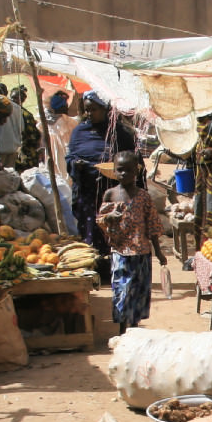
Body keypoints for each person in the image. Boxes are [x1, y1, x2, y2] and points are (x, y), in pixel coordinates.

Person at [67, 92, 136, 280]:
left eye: (93, 109)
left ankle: (115, 269)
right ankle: (94, 267)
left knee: (113, 227)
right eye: (86, 110)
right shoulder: (79, 131)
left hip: (113, 190)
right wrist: (76, 164)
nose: (89, 114)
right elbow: (70, 156)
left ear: (105, 110)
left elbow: (131, 159)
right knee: (90, 228)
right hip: (87, 190)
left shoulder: (119, 133)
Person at [98, 152, 167, 331]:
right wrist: (109, 217)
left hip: (141, 252)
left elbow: (152, 225)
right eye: (120, 170)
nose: (124, 174)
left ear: (136, 171)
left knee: (138, 290)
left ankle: (134, 326)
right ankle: (122, 327)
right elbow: (100, 219)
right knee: (122, 289)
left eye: (129, 171)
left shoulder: (143, 196)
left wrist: (159, 252)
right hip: (120, 251)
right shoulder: (110, 194)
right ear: (114, 171)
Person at [46, 92, 77, 186]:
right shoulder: (66, 122)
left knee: (57, 175)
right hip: (63, 152)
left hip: (54, 152)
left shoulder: (47, 121)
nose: (67, 108)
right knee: (65, 174)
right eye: (65, 106)